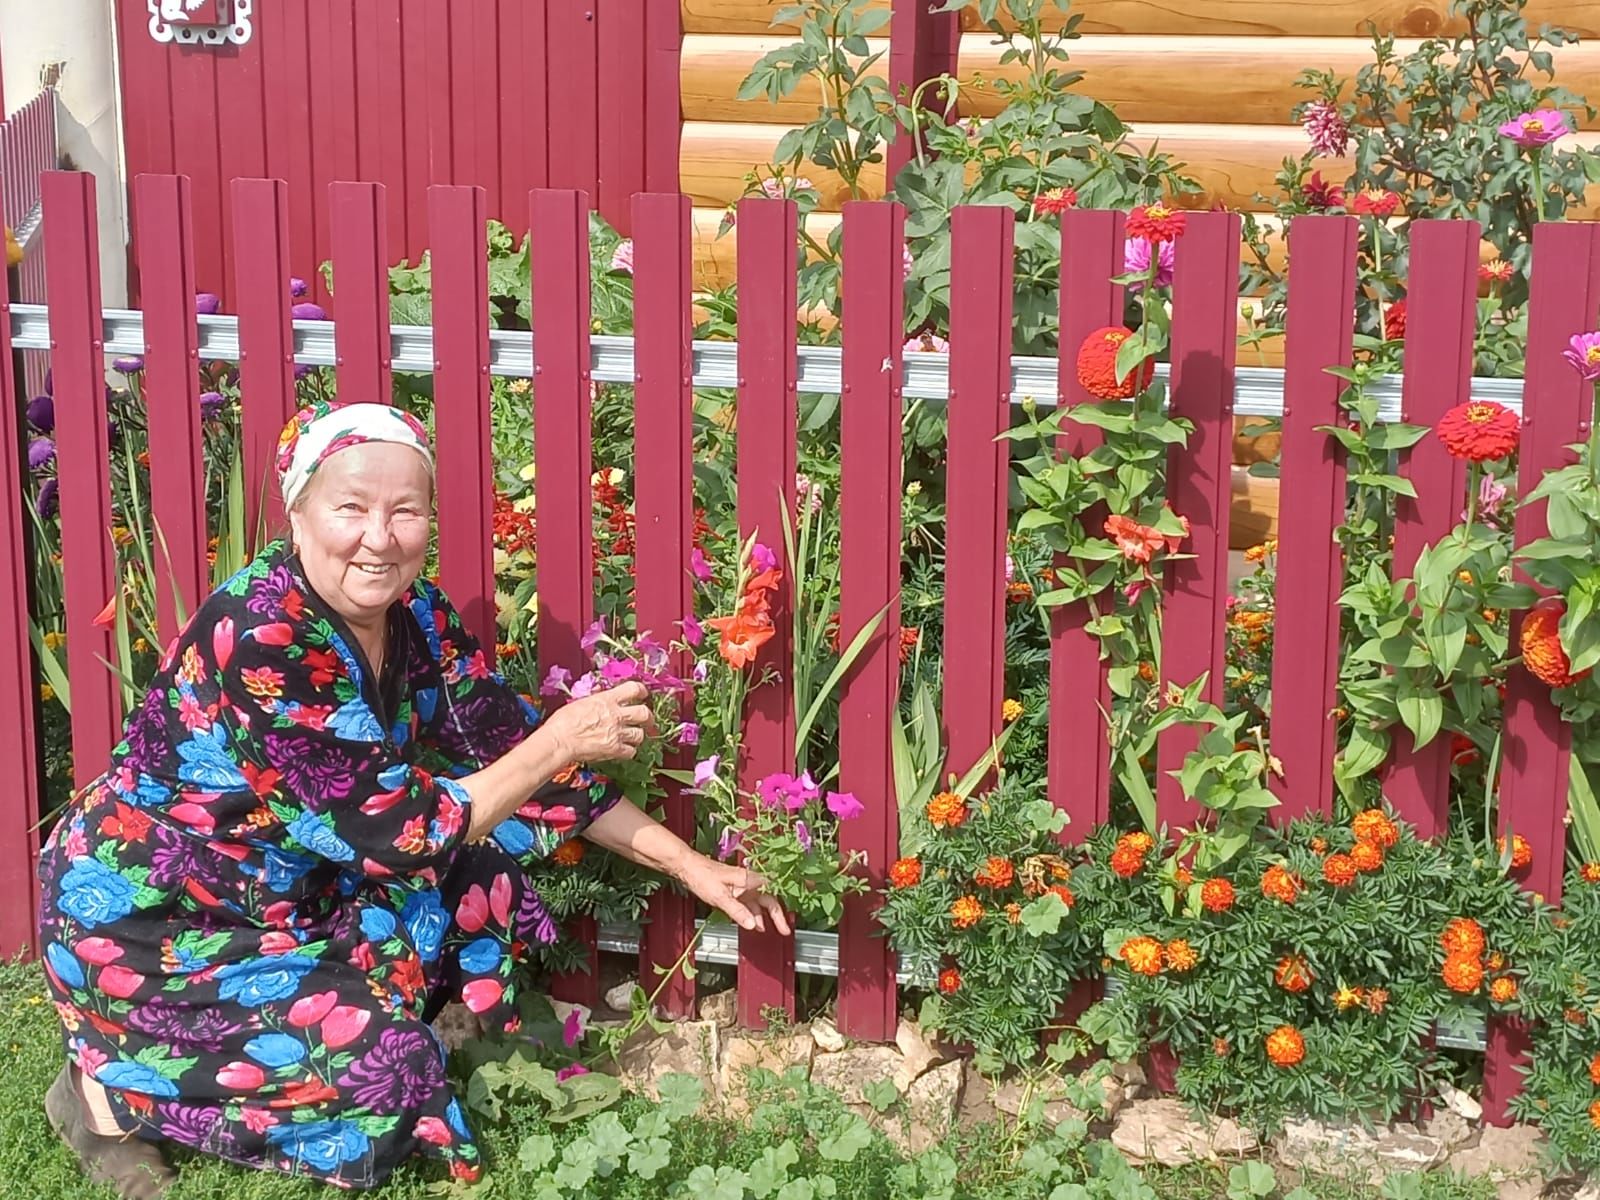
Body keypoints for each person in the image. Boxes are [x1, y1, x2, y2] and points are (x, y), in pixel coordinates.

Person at [37, 401, 789, 1195]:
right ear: (297, 510)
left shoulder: (415, 614)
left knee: (480, 878)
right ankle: (109, 1093)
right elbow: (403, 831)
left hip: (286, 896)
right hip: (148, 925)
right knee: (389, 1074)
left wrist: (693, 867)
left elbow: (517, 756)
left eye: (405, 511)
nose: (379, 536)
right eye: (351, 508)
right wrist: (565, 738)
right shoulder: (264, 636)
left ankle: (205, 1050)